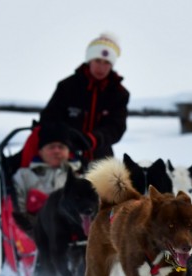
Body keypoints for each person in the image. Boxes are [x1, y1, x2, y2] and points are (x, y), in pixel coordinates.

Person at [40, 32, 130, 160]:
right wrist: (66, 138)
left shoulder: (119, 93)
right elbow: (50, 117)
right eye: (97, 61)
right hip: (65, 154)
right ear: (89, 60)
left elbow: (116, 127)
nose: (101, 67)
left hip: (100, 156)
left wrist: (93, 139)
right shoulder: (67, 86)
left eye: (107, 63)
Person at [13, 122, 81, 216]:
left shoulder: (80, 177)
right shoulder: (24, 175)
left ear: (68, 152)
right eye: (51, 147)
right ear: (40, 152)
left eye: (61, 147)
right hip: (32, 226)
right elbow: (16, 211)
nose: (57, 151)